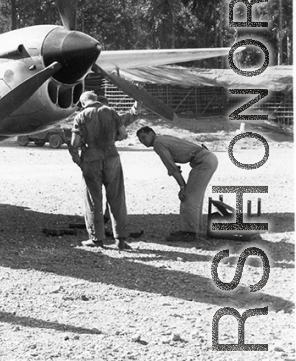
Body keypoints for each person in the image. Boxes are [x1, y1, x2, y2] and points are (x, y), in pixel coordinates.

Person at [68, 91, 132, 251]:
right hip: (112, 157)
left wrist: (80, 153)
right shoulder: (111, 111)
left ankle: (97, 239)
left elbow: (75, 143)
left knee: (93, 199)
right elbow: (123, 134)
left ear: (83, 103)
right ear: (96, 100)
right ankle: (121, 240)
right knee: (117, 198)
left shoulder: (81, 116)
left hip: (91, 159)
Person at [136, 126, 219, 242]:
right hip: (206, 159)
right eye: (140, 140)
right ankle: (193, 230)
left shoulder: (158, 143)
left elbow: (172, 168)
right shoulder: (162, 139)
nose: (143, 141)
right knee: (194, 197)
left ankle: (188, 233)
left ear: (151, 133)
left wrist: (182, 187)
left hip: (203, 161)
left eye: (144, 137)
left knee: (188, 197)